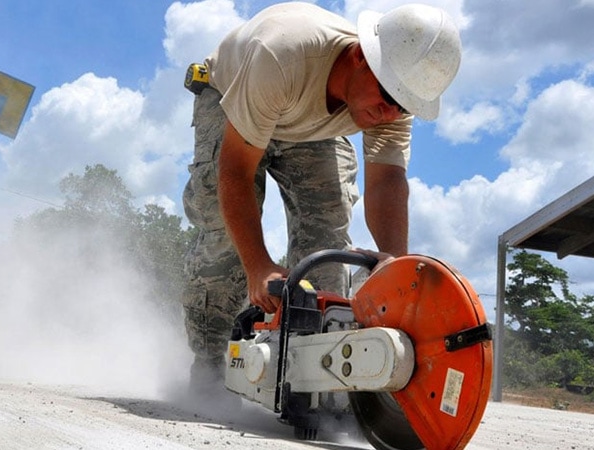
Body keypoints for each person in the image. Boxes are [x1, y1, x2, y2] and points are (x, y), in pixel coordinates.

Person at [180, 2, 463, 398]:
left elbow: (386, 180)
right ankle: (210, 366)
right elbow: (235, 173)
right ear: (362, 56)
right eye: (386, 98)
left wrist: (395, 266)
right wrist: (259, 265)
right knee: (226, 239)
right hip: (234, 95)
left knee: (328, 239)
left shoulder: (394, 96)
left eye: (402, 105)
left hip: (308, 123)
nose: (389, 113)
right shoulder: (282, 55)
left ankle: (308, 376)